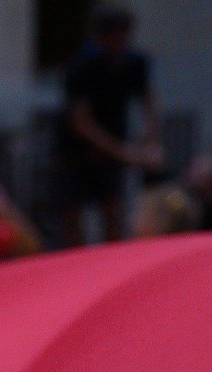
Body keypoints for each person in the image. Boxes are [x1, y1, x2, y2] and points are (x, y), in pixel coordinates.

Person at [57, 7, 163, 246]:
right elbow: (80, 122)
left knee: (112, 209)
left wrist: (151, 139)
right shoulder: (84, 66)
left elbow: (148, 102)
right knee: (72, 213)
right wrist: (122, 151)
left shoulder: (134, 63)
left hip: (113, 142)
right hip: (76, 151)